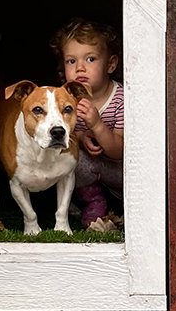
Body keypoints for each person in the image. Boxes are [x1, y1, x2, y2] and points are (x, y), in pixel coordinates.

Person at [50, 19, 123, 229]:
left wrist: (97, 125)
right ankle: (93, 202)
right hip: (89, 171)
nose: (80, 68)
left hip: (118, 170)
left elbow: (118, 150)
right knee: (69, 156)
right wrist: (81, 137)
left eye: (90, 59)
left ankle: (124, 206)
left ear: (110, 64)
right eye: (71, 61)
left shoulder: (120, 98)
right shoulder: (65, 99)